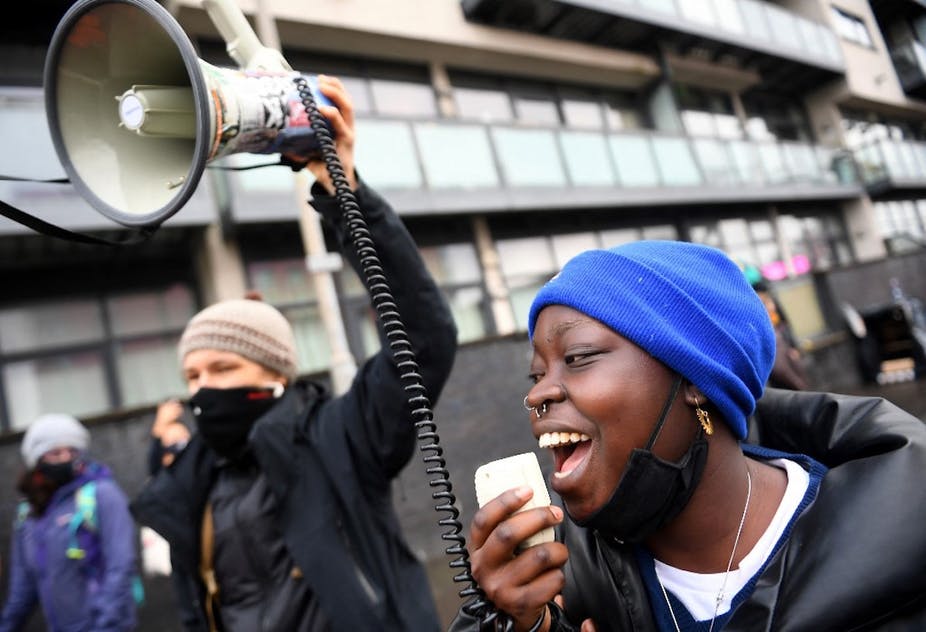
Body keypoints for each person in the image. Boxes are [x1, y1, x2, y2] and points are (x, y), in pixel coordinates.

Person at [450, 240, 926, 631]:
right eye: (536, 376)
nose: (538, 396)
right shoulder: (557, 575)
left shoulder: (901, 538)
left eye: (578, 358)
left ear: (695, 379)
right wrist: (513, 623)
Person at [130, 75, 457, 632]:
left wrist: (343, 190)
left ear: (277, 373)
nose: (202, 389)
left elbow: (422, 337)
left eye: (224, 367)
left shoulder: (341, 437)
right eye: (192, 375)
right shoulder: (190, 488)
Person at [0, 413, 139, 632]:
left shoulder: (102, 495)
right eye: (55, 453)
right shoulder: (29, 513)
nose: (66, 458)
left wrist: (106, 625)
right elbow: (22, 589)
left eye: (73, 451)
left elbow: (120, 567)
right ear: (37, 459)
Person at [752, 279, 810, 391]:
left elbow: (785, 324)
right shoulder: (757, 312)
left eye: (768, 301)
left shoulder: (773, 307)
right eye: (765, 302)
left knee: (797, 377)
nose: (770, 305)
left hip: (784, 347)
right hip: (776, 354)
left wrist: (793, 346)